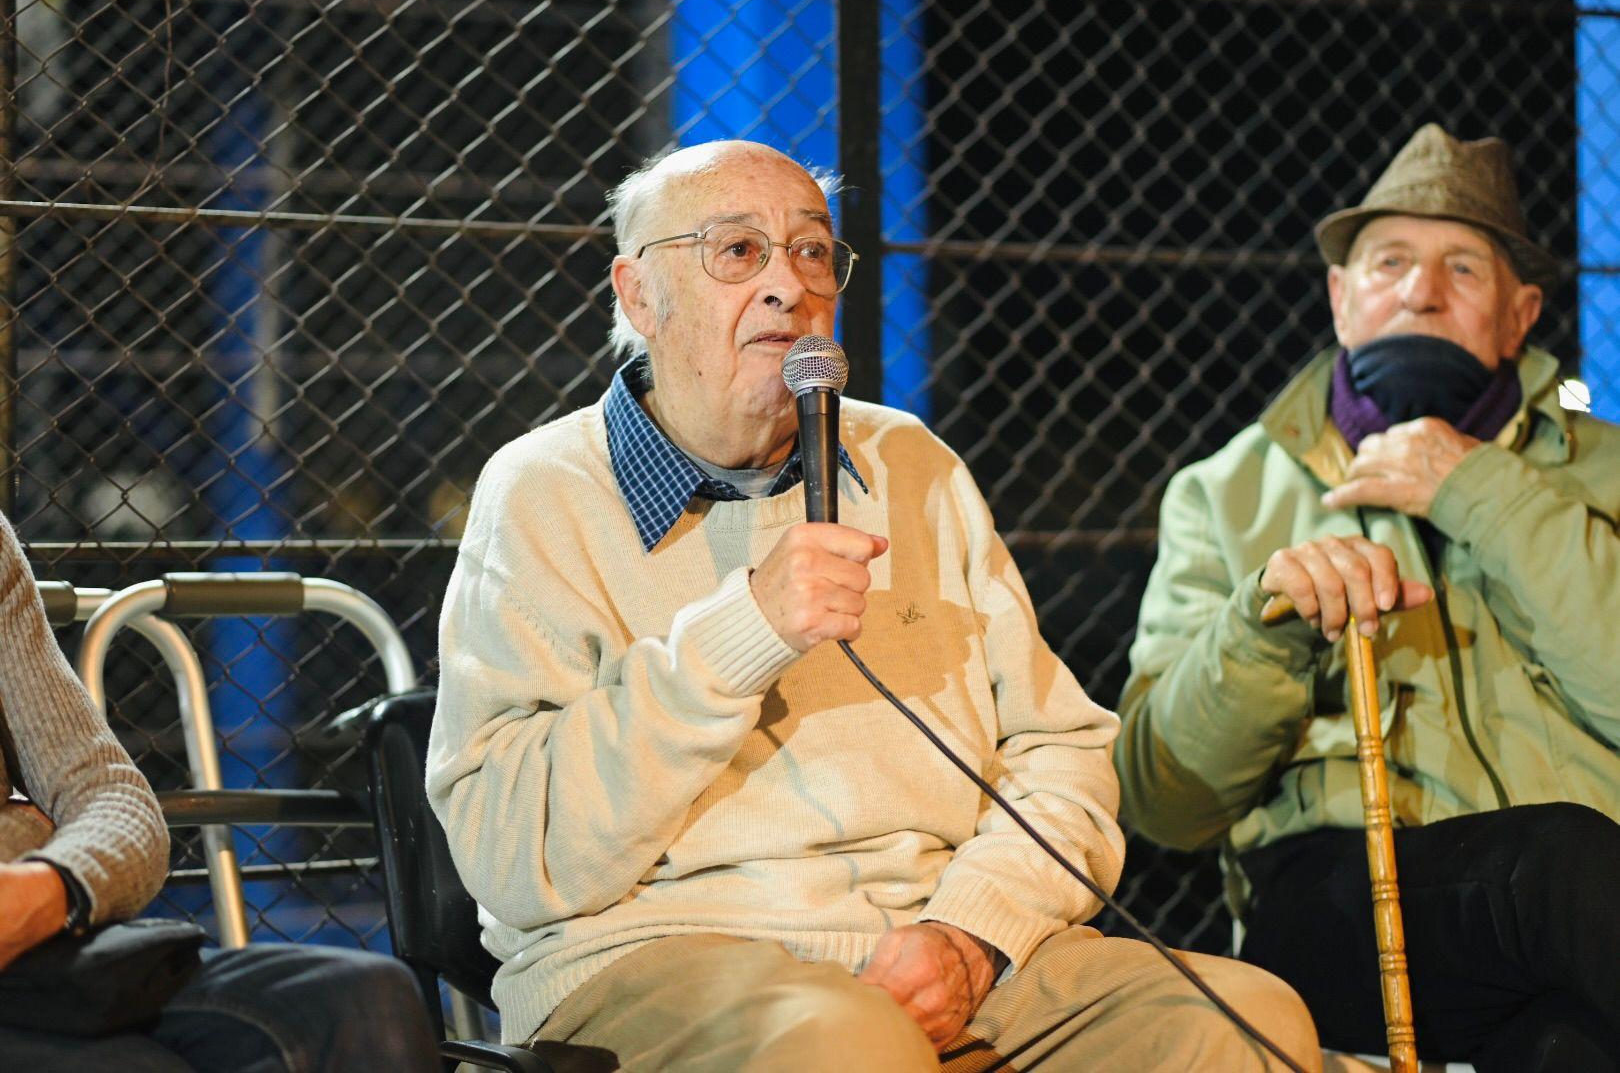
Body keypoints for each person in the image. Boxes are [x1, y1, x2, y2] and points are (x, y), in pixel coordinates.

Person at [429, 139, 1319, 1071]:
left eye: (813, 252)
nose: (788, 287)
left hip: (939, 952)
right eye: (738, 252)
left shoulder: (911, 464)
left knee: (1246, 1018)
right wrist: (742, 636)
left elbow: (1063, 756)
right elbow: (509, 852)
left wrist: (972, 938)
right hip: (658, 959)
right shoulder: (542, 493)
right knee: (850, 1046)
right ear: (637, 295)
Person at [1116, 123, 1620, 1072]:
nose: (1421, 292)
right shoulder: (1225, 492)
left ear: (1521, 317)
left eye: (1463, 269)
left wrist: (1486, 494)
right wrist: (1263, 629)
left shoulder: (1609, 471)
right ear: (1343, 301)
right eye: (1389, 263)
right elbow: (1164, 802)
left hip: (1588, 902)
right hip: (1348, 902)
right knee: (1555, 865)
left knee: (1566, 1045)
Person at [0, 508, 439, 1071]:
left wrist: (51, 883)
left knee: (368, 997)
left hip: (44, 954)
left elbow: (113, 796)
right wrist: (28, 826)